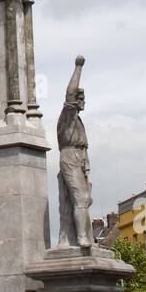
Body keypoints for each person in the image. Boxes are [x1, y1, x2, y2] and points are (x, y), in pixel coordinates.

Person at [57, 55, 93, 249]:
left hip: (79, 157)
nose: (83, 101)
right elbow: (70, 93)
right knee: (80, 198)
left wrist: (86, 166)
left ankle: (86, 236)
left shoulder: (78, 121)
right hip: (69, 156)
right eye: (81, 98)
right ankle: (81, 238)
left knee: (85, 199)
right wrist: (78, 67)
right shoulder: (68, 116)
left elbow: (84, 148)